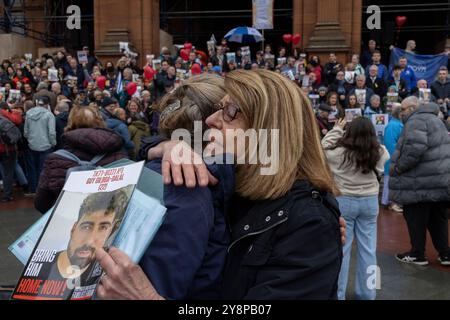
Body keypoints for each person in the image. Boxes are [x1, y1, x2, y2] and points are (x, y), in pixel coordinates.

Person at [96, 69, 343, 300]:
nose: (211, 120)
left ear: (268, 127)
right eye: (217, 108)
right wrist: (163, 147)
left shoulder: (309, 224)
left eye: (231, 111)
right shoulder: (236, 188)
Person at [322, 117, 389, 300]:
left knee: (342, 249)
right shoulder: (380, 151)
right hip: (369, 202)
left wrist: (336, 129)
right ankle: (368, 293)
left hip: (344, 201)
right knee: (368, 249)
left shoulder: (339, 153)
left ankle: (339, 293)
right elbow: (383, 165)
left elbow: (323, 148)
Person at [390, 100, 450, 266]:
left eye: (402, 109)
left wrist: (399, 168)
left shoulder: (416, 120)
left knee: (415, 217)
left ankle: (417, 254)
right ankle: (445, 254)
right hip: (438, 179)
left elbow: (414, 149)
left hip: (419, 182)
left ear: (412, 108)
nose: (400, 112)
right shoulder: (436, 119)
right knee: (437, 219)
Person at [35, 105, 126, 214]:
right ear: (100, 122)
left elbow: (41, 203)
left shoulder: (55, 159)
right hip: (110, 220)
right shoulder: (119, 154)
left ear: (70, 123)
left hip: (68, 220)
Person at [37, 189, 129, 296]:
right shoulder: (41, 266)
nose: (89, 241)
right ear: (73, 228)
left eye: (103, 228)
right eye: (86, 227)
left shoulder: (104, 279)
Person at [24, 96, 56, 194]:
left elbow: (26, 131)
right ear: (47, 105)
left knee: (32, 168)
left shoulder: (28, 113)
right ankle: (42, 191)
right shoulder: (49, 115)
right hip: (46, 145)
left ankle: (33, 189)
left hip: (32, 145)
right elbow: (51, 132)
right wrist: (53, 143)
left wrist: (30, 139)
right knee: (43, 169)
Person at [381, 102, 404, 212]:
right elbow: (390, 145)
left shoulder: (396, 124)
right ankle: (391, 202)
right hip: (393, 160)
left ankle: (393, 202)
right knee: (390, 181)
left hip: (395, 159)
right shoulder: (393, 125)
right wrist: (399, 157)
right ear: (399, 114)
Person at [0, 101, 23, 202]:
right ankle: (7, 195)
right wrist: (14, 111)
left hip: (5, 149)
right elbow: (17, 120)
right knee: (8, 173)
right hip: (8, 149)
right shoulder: (7, 114)